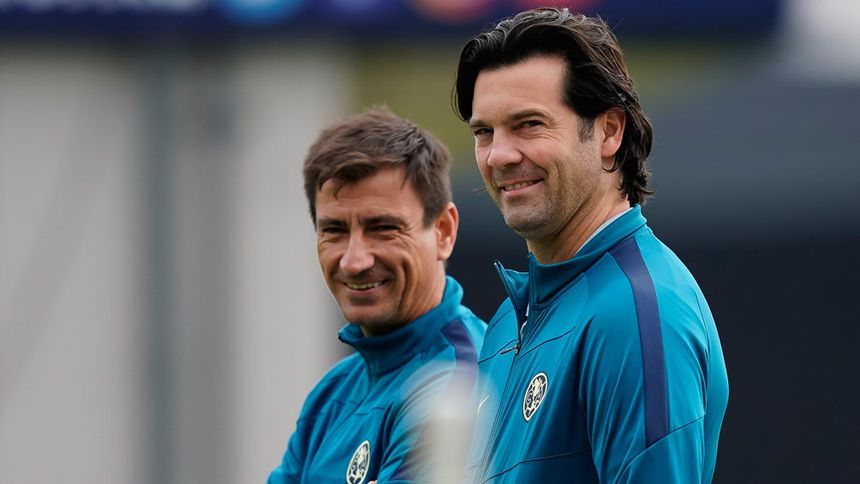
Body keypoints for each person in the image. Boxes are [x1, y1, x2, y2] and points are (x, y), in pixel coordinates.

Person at [453, 8, 728, 483]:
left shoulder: (635, 312)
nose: (499, 155)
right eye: (484, 132)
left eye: (529, 124)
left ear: (609, 131)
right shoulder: (507, 323)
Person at [267, 107, 486, 483]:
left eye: (383, 228)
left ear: (443, 231)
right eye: (334, 231)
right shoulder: (333, 393)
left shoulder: (459, 383)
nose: (354, 261)